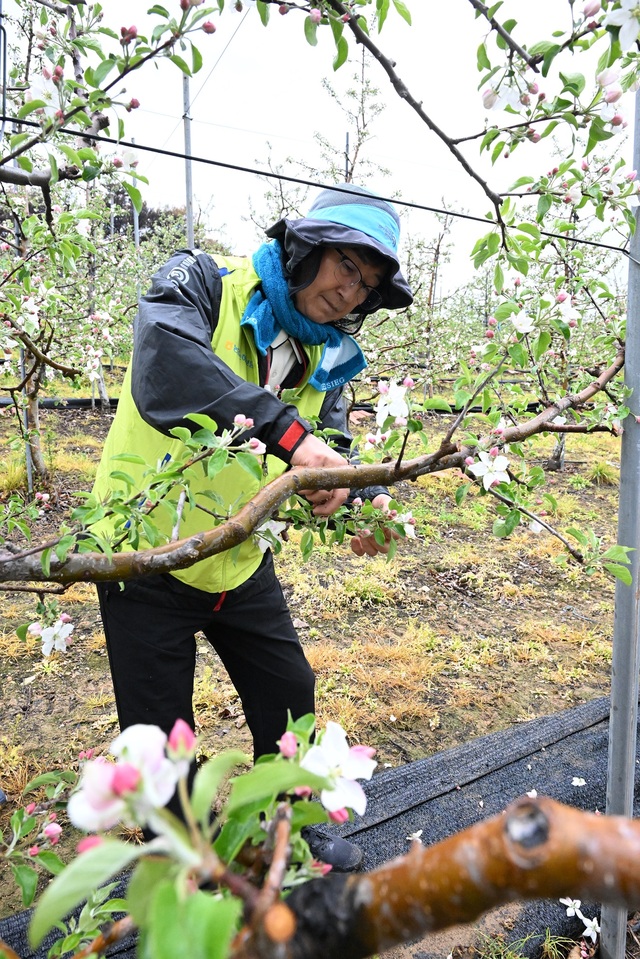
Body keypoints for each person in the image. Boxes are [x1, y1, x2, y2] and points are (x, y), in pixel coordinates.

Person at [91, 183, 413, 871]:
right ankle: (185, 868)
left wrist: (356, 497)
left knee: (288, 690)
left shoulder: (324, 356)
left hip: (238, 556)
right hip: (144, 558)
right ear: (304, 249)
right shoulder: (200, 283)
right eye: (346, 267)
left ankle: (287, 827)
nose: (352, 293)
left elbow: (326, 445)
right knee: (160, 737)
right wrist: (290, 435)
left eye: (368, 285)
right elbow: (166, 371)